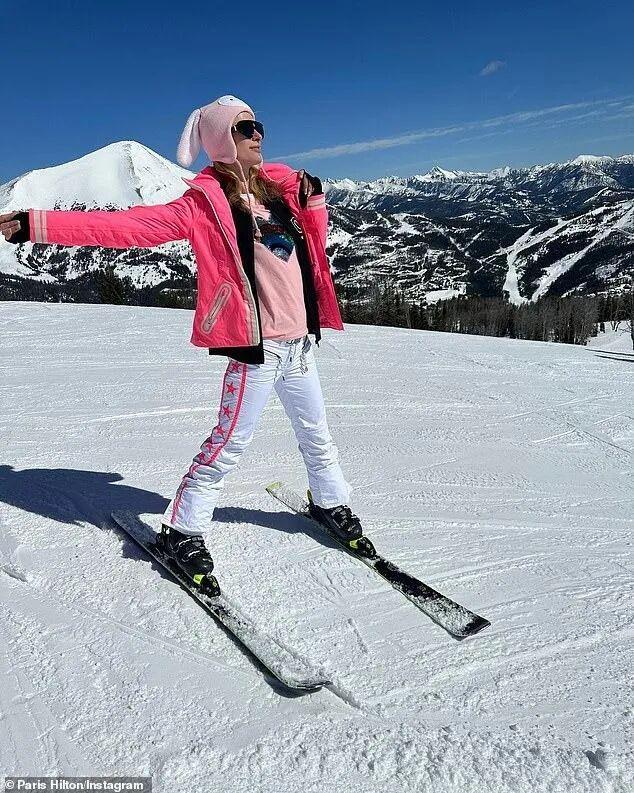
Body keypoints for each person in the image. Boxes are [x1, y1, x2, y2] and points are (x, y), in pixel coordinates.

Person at [0, 94, 363, 595]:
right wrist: (40, 224)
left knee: (317, 433)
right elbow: (130, 229)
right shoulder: (203, 204)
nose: (258, 134)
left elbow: (314, 251)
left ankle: (329, 500)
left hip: (300, 346)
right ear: (222, 141)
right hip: (257, 350)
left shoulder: (278, 196)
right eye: (245, 128)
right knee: (228, 445)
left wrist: (312, 200)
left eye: (258, 126)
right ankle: (182, 528)